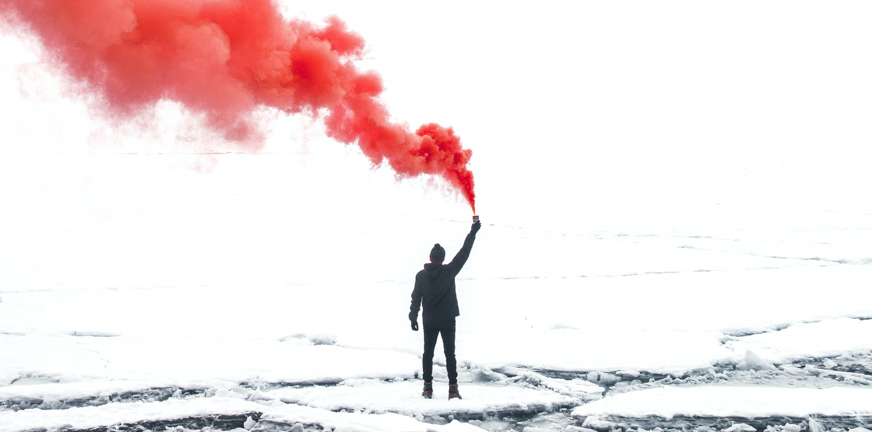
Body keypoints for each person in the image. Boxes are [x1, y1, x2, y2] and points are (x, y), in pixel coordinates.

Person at [409, 220, 481, 400]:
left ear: (431, 258)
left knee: (428, 353)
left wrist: (413, 316)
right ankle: (453, 389)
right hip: (448, 319)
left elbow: (416, 298)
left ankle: (427, 388)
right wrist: (473, 232)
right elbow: (464, 253)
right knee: (450, 354)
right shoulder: (449, 271)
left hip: (430, 320)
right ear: (442, 259)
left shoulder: (421, 276)